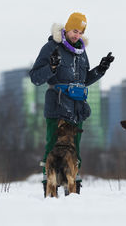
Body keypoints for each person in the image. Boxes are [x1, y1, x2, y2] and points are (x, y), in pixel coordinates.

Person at [29, 12, 114, 194]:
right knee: (53, 148)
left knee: (75, 151)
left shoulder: (81, 52)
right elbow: (35, 78)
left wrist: (101, 69)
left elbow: (83, 80)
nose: (77, 35)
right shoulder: (52, 47)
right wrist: (51, 67)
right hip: (57, 108)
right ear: (67, 28)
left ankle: (73, 188)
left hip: (77, 110)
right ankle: (49, 187)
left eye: (80, 32)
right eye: (74, 30)